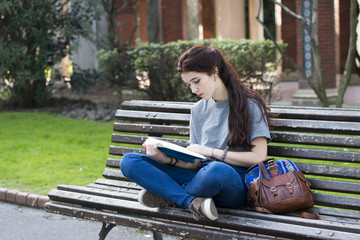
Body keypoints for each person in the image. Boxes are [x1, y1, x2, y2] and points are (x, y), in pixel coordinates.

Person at [120, 45, 272, 221]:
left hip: (233, 181)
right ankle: (189, 201)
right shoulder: (198, 110)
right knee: (130, 161)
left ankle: (169, 195)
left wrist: (211, 152)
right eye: (189, 84)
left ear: (214, 71)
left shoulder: (249, 104)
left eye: (196, 81)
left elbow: (259, 157)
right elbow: (195, 163)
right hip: (199, 175)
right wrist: (166, 159)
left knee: (216, 170)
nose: (193, 90)